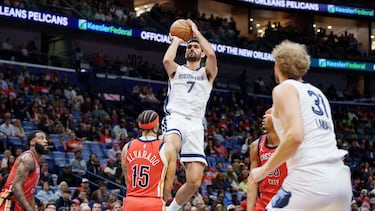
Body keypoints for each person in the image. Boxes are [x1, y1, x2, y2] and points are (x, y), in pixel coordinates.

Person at [247, 40, 352, 210]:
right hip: (340, 180)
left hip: (310, 179)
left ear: (277, 67)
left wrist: (264, 170)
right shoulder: (318, 94)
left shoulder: (283, 89)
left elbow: (295, 136)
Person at [162, 19, 218, 211]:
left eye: (195, 47)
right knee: (170, 148)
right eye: (190, 46)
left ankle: (170, 210)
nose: (192, 48)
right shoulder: (177, 70)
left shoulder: (207, 73)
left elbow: (211, 53)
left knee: (194, 181)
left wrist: (195, 32)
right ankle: (157, 200)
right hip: (175, 118)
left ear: (201, 52)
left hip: (195, 125)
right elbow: (167, 60)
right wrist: (177, 40)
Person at [122, 110, 176, 211]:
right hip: (153, 202)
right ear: (156, 125)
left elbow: (127, 179)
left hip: (131, 201)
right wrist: (163, 200)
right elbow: (168, 183)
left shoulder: (127, 147)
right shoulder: (167, 148)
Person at [247, 109, 287, 211]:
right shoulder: (256, 146)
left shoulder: (289, 143)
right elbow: (252, 181)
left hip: (287, 200)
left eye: (268, 115)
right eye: (264, 115)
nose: (264, 117)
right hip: (264, 202)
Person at [0, 130, 49, 211]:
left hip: (19, 205)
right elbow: (16, 187)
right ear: (32, 142)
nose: (45, 141)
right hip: (9, 203)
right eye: (41, 138)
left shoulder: (36, 162)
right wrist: (29, 208)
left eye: (45, 138)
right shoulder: (27, 158)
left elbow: (31, 194)